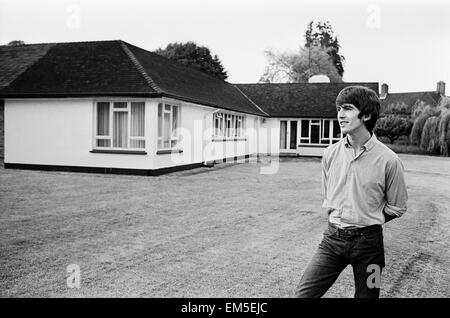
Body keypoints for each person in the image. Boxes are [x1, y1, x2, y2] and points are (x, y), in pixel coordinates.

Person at [294, 86, 408, 298]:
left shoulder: (390, 161)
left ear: (366, 115)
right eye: (339, 108)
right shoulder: (330, 154)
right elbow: (328, 196)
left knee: (369, 296)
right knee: (303, 295)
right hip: (331, 240)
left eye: (347, 108)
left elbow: (398, 207)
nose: (340, 114)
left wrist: (368, 219)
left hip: (370, 246)